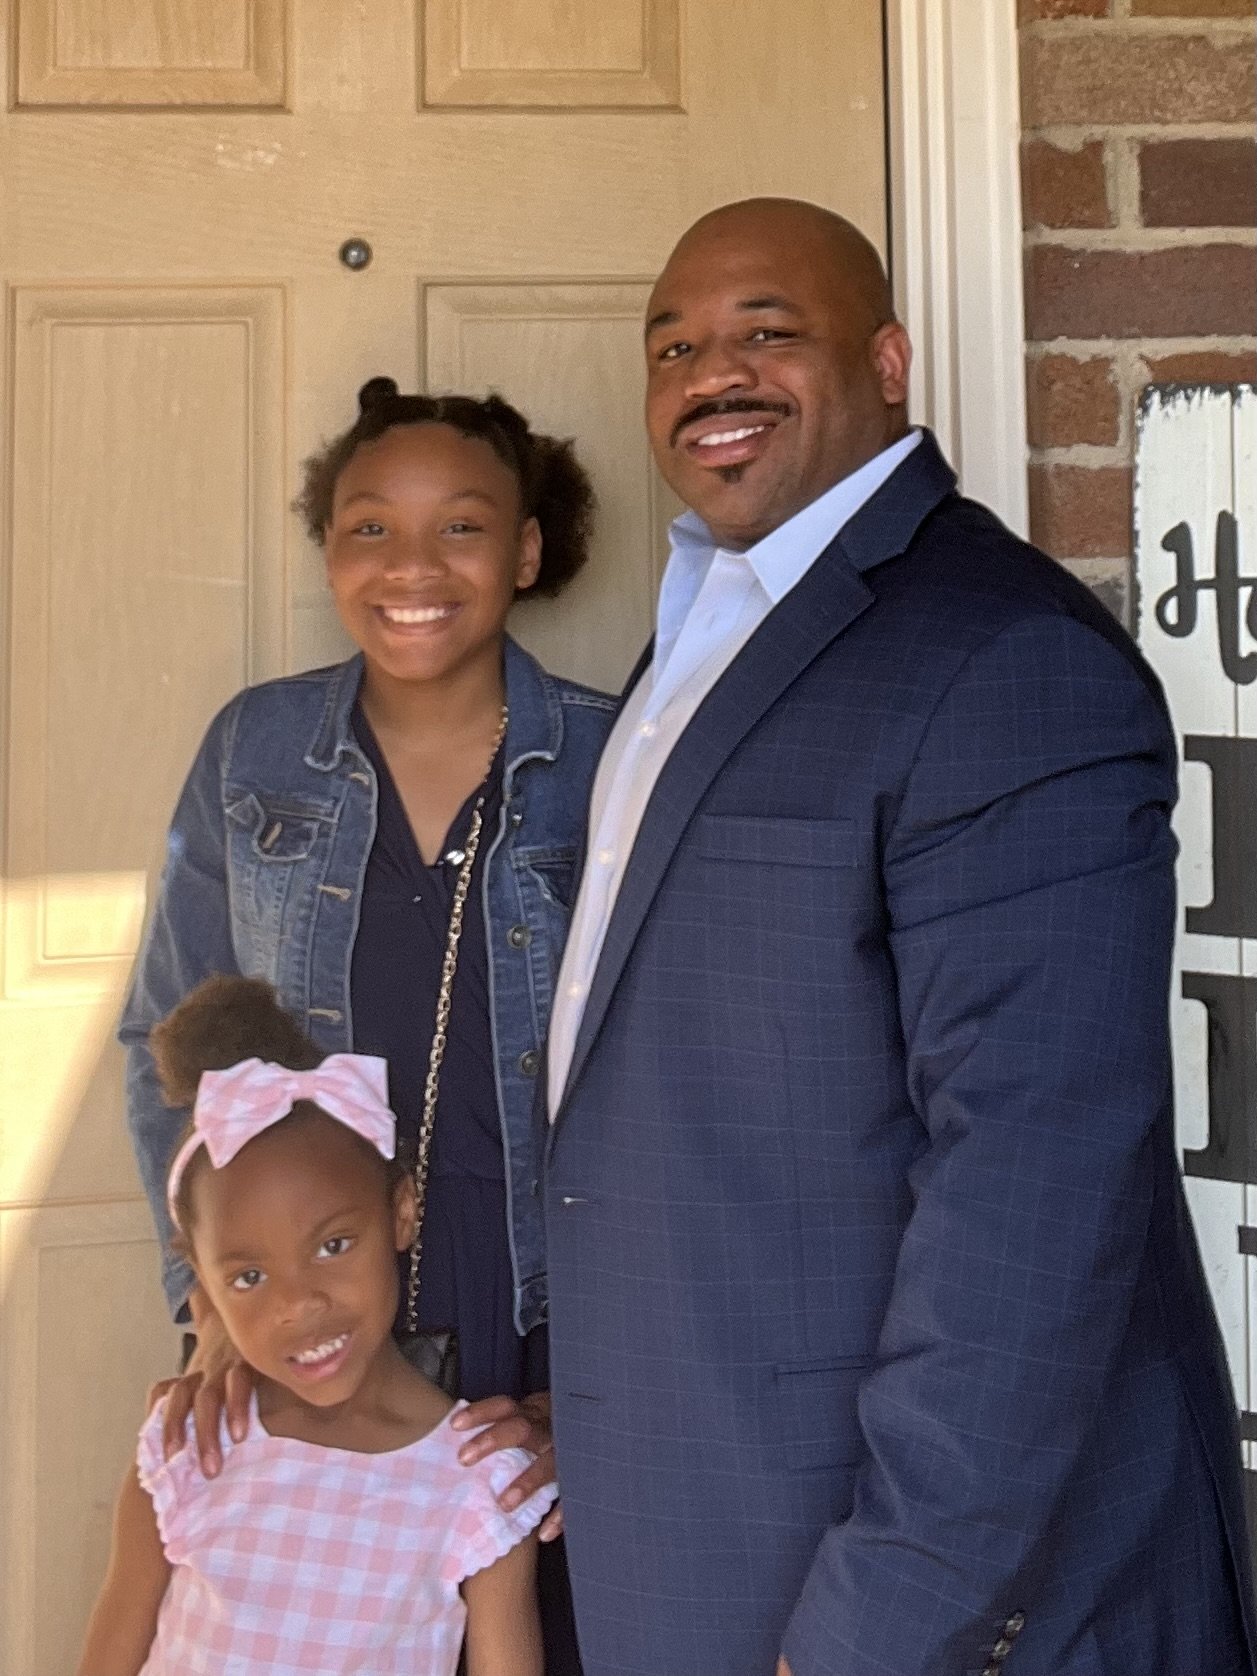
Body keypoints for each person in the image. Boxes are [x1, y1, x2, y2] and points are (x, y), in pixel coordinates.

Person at [541, 197, 1257, 1676]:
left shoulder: (1001, 660)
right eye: (673, 345)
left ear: (889, 362)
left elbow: (1035, 1193)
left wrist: (893, 1609)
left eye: (765, 333)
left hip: (902, 1586)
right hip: (712, 1511)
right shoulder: (715, 628)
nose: (709, 374)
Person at [119, 380, 614, 1672]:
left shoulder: (617, 758)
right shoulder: (259, 751)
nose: (411, 569)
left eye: (459, 528)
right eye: (366, 530)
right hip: (316, 1307)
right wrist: (216, 1309)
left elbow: (677, 1092)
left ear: (525, 549)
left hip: (540, 1321)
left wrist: (612, 1398)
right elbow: (166, 1039)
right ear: (328, 548)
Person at [81, 977, 555, 1675]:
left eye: (333, 1245)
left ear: (400, 1212)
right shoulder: (186, 1448)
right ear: (203, 1283)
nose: (298, 1304)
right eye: (248, 1276)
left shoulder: (480, 1480)